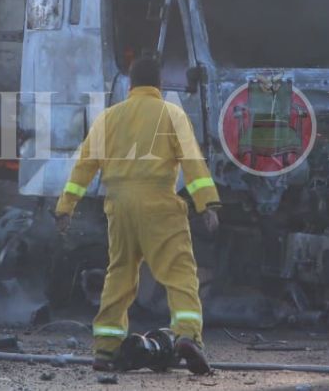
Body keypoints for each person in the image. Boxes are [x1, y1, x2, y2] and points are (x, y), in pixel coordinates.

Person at [54, 57, 221, 374]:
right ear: (158, 85)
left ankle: (105, 349)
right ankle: (188, 336)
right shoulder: (171, 114)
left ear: (130, 85)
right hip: (159, 203)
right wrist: (207, 203)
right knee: (179, 272)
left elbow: (84, 167)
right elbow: (193, 164)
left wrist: (65, 208)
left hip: (119, 206)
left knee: (119, 275)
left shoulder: (109, 118)